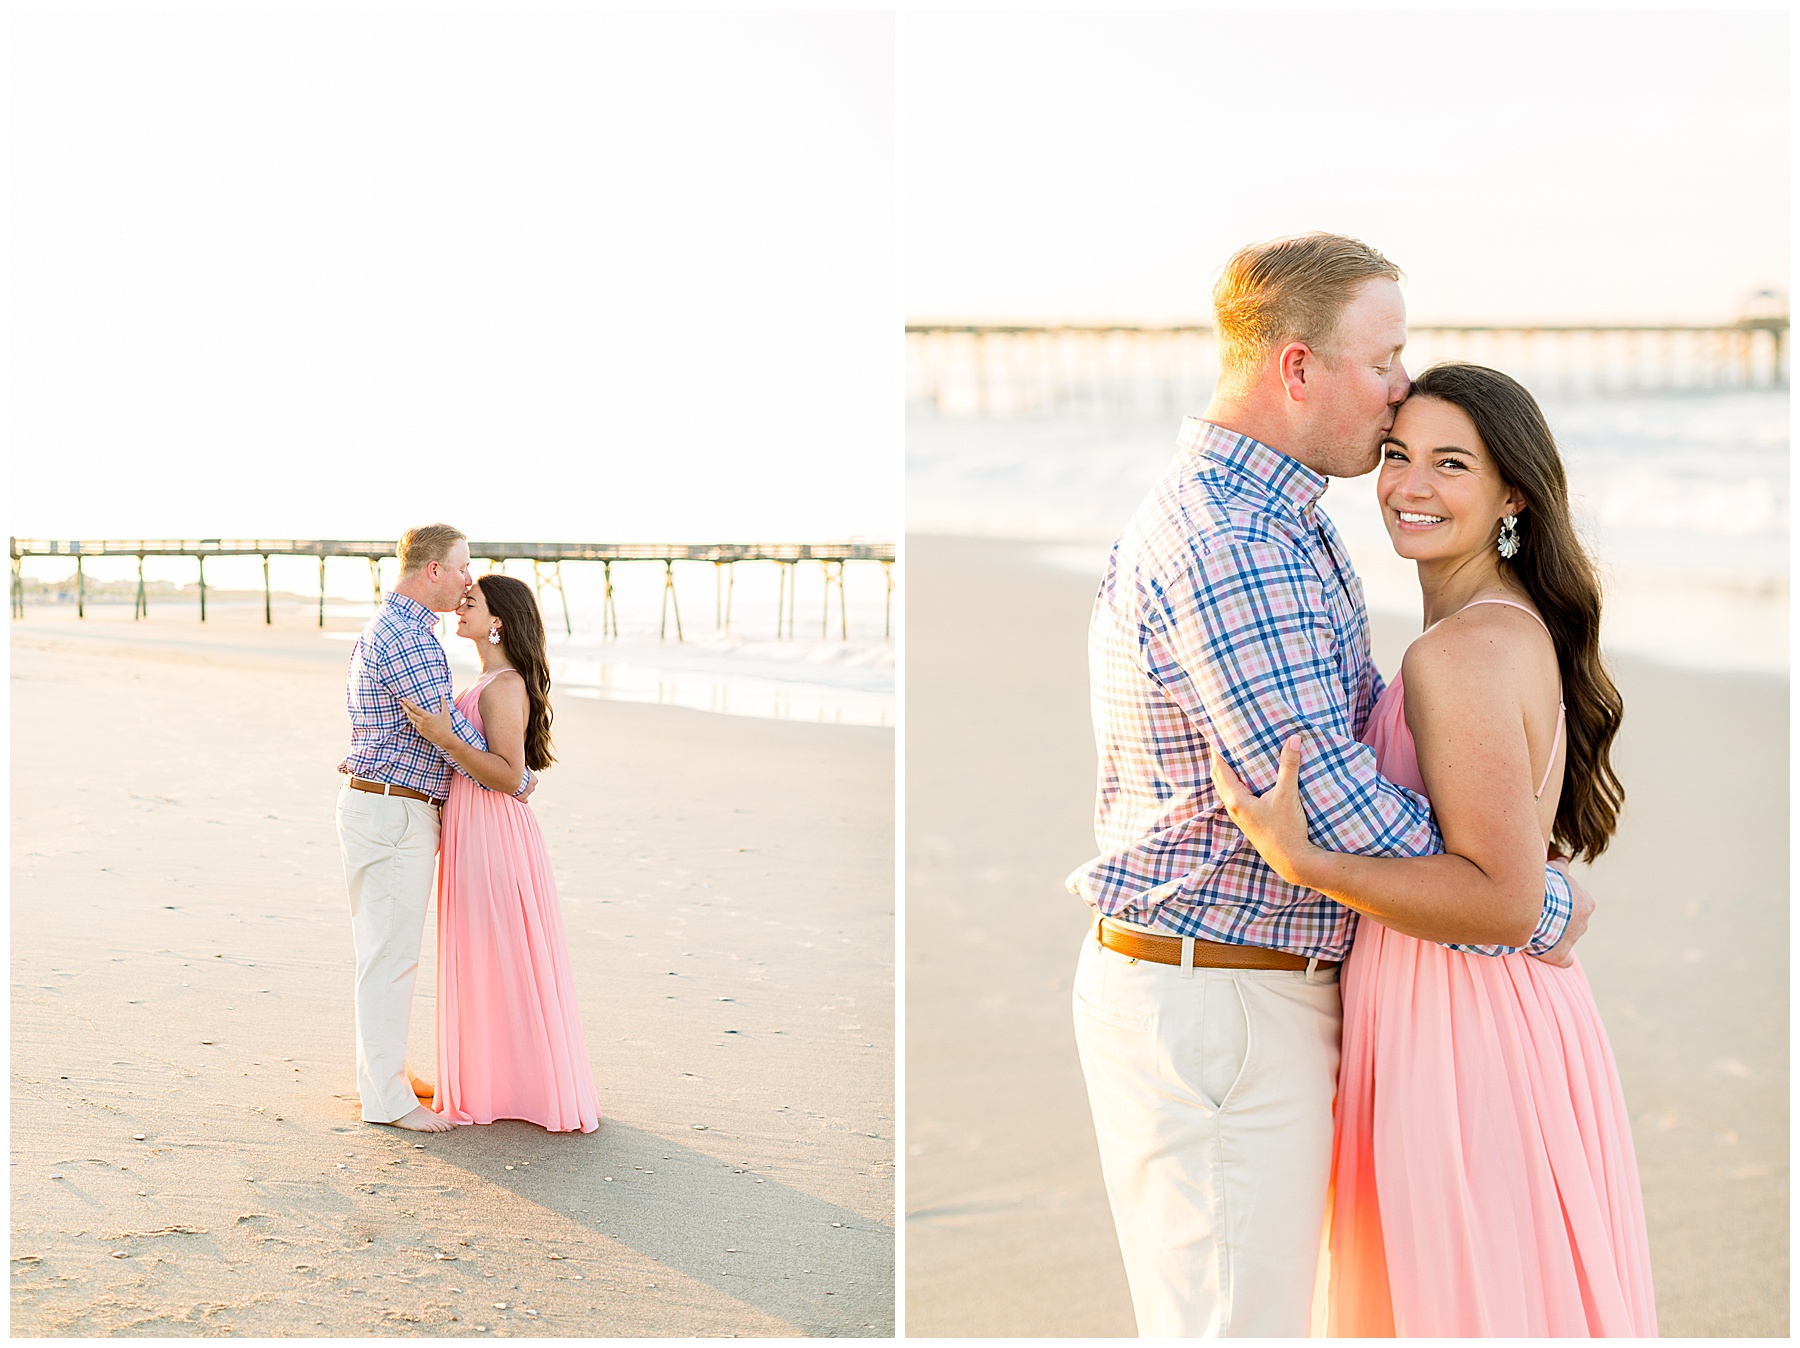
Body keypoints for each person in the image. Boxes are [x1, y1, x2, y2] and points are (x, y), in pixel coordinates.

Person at [1065, 234, 1595, 1337]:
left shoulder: (1285, 517)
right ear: (1297, 368)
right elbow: (1331, 800)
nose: (1403, 385)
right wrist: (1530, 898)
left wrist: (1501, 874)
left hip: (1265, 992)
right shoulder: (1235, 539)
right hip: (1221, 1001)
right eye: (1384, 358)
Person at [1210, 362, 1655, 1336]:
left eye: (1452, 464)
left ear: (1513, 496)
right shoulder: (1489, 629)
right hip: (1475, 1012)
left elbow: (1500, 899)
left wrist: (1310, 866)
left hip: (1462, 1029)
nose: (1410, 487)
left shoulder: (1457, 652)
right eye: (1399, 455)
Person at [335, 523, 535, 1134]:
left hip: (385, 806)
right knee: (391, 956)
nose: (468, 579)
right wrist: (517, 781)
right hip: (393, 809)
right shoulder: (410, 640)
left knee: (385, 951)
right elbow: (448, 735)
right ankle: (388, 1099)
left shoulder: (396, 629)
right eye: (461, 566)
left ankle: (381, 1076)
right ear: (432, 571)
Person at [400, 572, 600, 1133]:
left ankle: (517, 1086)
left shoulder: (504, 684)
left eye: (472, 603)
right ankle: (491, 1079)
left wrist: (446, 738)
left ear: (498, 623)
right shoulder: (485, 680)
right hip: (474, 827)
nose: (459, 609)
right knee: (484, 955)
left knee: (502, 954)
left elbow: (509, 774)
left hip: (494, 833)